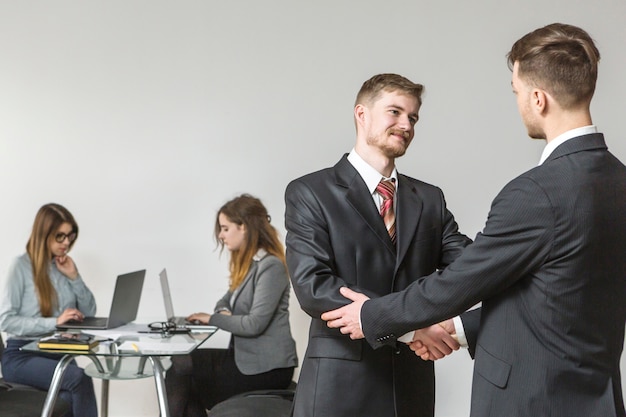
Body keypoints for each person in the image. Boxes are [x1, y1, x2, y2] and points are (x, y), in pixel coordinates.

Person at [322, 23, 626, 417]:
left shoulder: (535, 193)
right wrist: (461, 330)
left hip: (532, 401)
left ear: (538, 99)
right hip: (598, 400)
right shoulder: (619, 182)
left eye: (517, 92)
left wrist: (373, 315)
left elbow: (460, 281)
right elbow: (561, 294)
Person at [284, 73, 472, 417]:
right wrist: (413, 327)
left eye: (413, 117)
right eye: (395, 112)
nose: (406, 124)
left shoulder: (429, 199)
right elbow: (314, 287)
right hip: (339, 387)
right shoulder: (310, 192)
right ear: (362, 114)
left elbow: (470, 268)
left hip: (410, 386)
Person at [165, 194, 298, 415]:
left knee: (183, 372)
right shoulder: (249, 265)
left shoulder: (271, 266)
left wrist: (214, 318)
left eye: (225, 228)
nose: (220, 235)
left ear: (243, 226)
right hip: (245, 358)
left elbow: (254, 324)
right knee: (181, 367)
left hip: (267, 367)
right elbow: (224, 301)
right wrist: (223, 313)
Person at [0, 203, 98, 417]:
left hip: (57, 354)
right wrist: (55, 321)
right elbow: (5, 321)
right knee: (79, 379)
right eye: (60, 236)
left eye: (70, 237)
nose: (66, 243)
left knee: (69, 397)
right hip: (21, 356)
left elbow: (90, 312)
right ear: (43, 234)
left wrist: (75, 277)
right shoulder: (20, 266)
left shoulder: (61, 266)